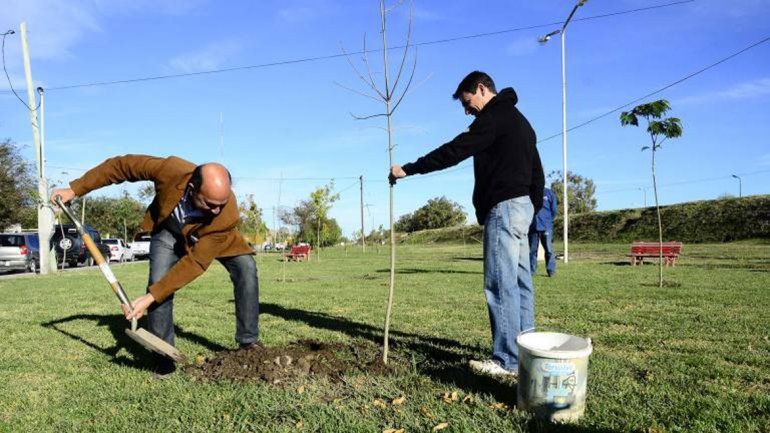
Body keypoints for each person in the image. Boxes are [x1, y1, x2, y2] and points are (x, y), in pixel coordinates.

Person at [390, 71, 544, 377]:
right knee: (521, 282)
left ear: (482, 89)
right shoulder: (520, 120)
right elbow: (537, 173)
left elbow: (455, 150)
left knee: (500, 284)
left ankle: (507, 360)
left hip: (505, 208)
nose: (466, 109)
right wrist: (531, 209)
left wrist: (410, 169)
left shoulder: (494, 118)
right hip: (522, 208)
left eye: (467, 101)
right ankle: (528, 352)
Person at [51, 155, 261, 377]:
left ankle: (248, 343)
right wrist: (75, 189)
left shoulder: (225, 215)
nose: (216, 210)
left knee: (246, 269)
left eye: (221, 204)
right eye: (209, 204)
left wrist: (149, 298)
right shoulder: (170, 170)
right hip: (169, 231)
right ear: (192, 187)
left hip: (214, 236)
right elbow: (121, 167)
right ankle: (164, 358)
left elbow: (196, 262)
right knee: (158, 283)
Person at [529, 187, 558, 277]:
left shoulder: (549, 193)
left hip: (546, 226)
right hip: (533, 226)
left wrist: (547, 221)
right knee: (532, 250)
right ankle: (531, 271)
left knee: (549, 249)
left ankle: (551, 270)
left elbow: (554, 211)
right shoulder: (530, 193)